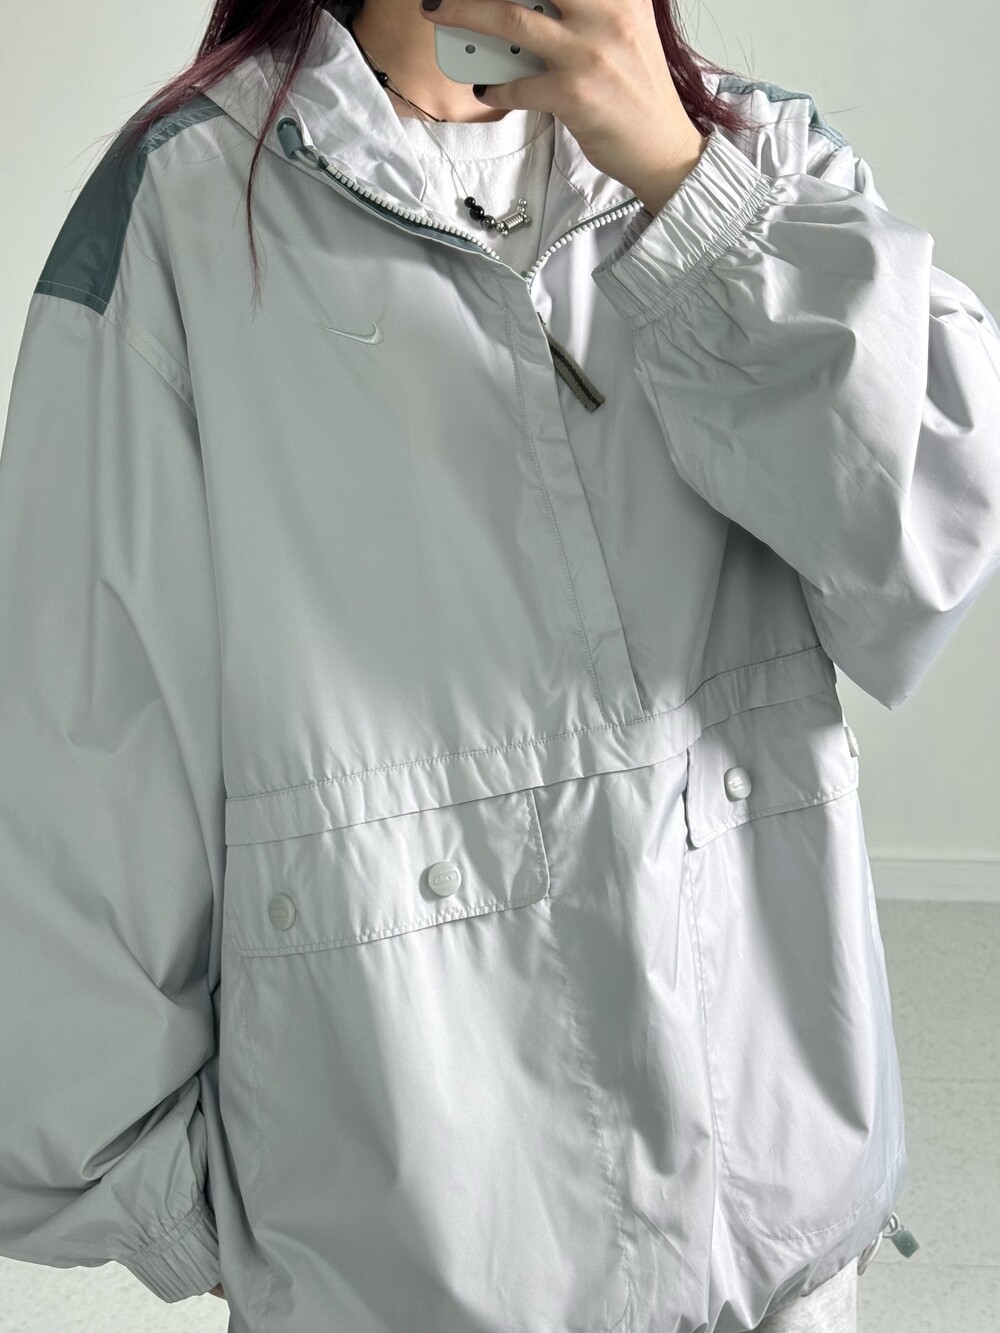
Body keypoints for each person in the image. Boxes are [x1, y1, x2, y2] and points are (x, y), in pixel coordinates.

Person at [0, 0, 993, 1329]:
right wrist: (190, 1206)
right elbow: (83, 747)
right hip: (408, 1271)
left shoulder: (756, 160)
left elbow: (927, 535)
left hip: (772, 1253)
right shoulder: (183, 213)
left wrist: (687, 190)